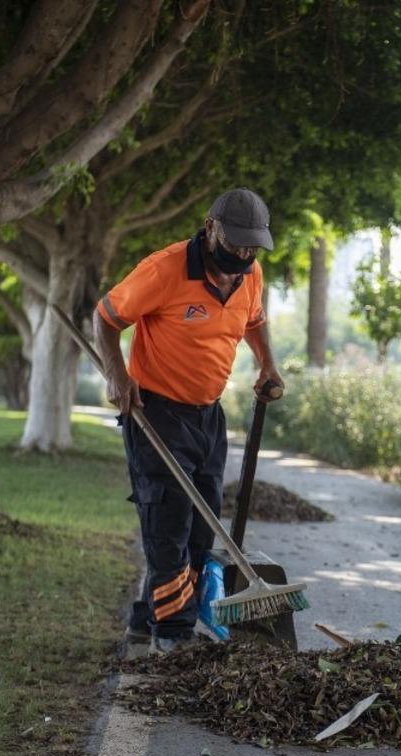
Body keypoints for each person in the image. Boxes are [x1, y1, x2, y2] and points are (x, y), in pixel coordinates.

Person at [93, 187, 283, 654]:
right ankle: (173, 637)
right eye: (235, 241)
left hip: (207, 416)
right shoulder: (165, 269)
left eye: (250, 246)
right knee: (168, 522)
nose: (241, 252)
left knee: (202, 525)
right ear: (210, 226)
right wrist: (118, 376)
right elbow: (105, 317)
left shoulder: (250, 275)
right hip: (156, 412)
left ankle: (147, 617)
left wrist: (267, 365)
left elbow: (255, 321)